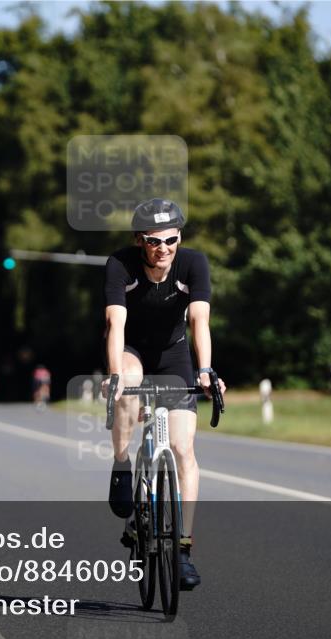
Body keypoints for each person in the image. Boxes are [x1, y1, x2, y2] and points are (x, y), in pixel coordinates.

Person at [101, 197, 225, 591]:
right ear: (140, 241)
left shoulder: (193, 264)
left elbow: (199, 320)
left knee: (184, 448)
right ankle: (123, 463)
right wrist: (116, 375)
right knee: (128, 383)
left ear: (179, 237)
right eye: (155, 242)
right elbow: (114, 323)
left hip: (173, 357)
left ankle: (183, 549)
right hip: (132, 351)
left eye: (171, 240)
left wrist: (205, 370)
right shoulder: (120, 265)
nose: (164, 249)